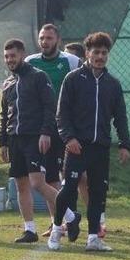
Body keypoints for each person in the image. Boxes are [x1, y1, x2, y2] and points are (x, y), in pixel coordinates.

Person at [48, 32, 130, 251]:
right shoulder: (73, 79)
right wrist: (69, 138)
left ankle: (93, 237)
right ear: (87, 53)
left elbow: (120, 116)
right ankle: (57, 229)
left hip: (100, 148)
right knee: (68, 189)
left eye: (104, 53)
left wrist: (124, 144)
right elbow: (62, 113)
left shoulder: (112, 84)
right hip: (77, 146)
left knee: (98, 193)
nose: (100, 57)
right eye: (96, 52)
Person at [0, 38, 78, 243]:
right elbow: (5, 115)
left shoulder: (38, 77)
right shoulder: (8, 83)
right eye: (6, 57)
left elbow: (50, 107)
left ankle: (70, 215)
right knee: (21, 185)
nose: (10, 60)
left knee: (37, 183)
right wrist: (3, 142)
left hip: (34, 137)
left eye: (13, 56)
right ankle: (30, 230)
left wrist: (45, 133)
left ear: (22, 55)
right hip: (15, 139)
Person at [25, 24, 90, 236]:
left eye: (49, 38)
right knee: (51, 178)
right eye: (42, 38)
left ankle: (96, 221)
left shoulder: (70, 62)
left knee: (80, 176)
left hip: (68, 128)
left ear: (58, 40)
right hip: (44, 128)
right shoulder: (30, 62)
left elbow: (83, 88)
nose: (45, 42)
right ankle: (59, 222)